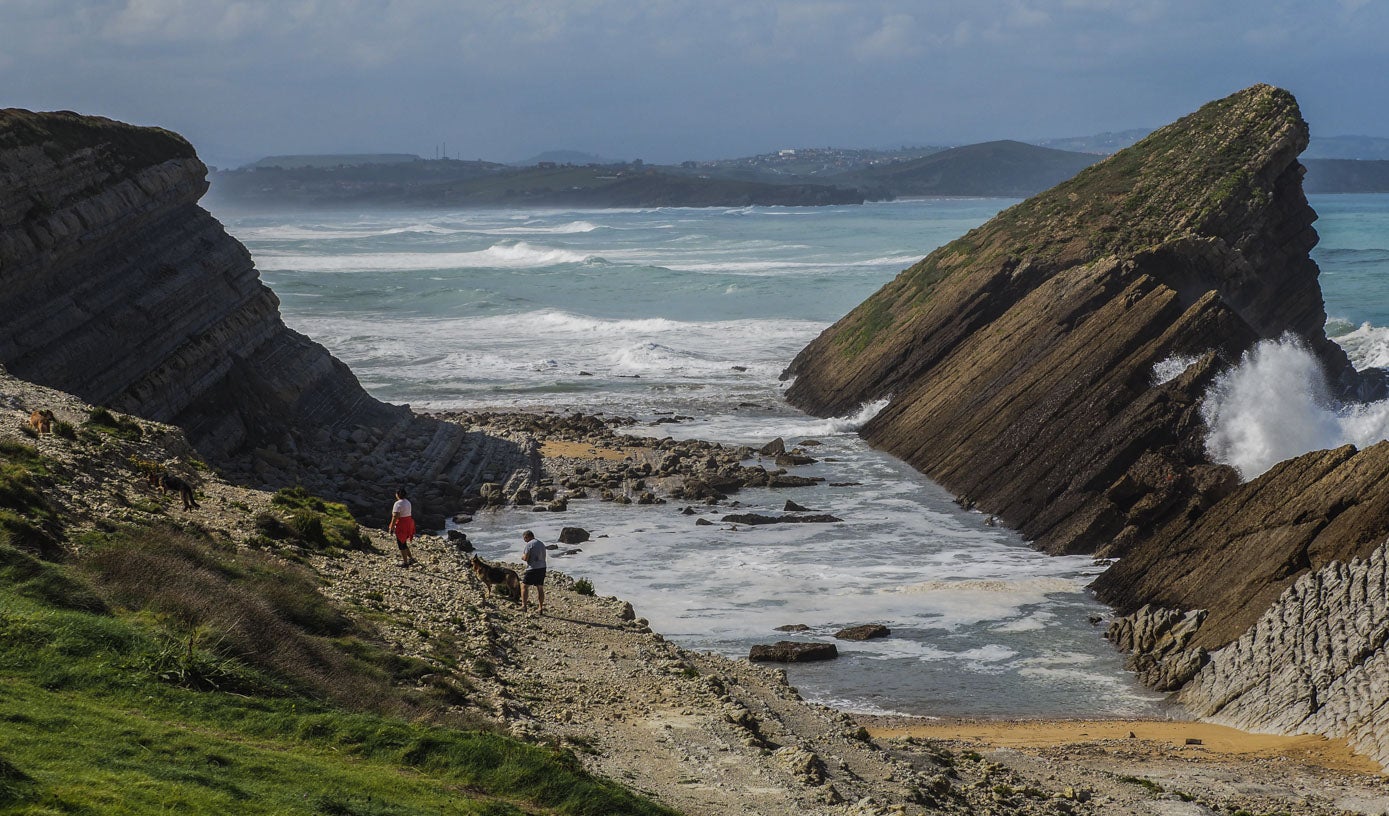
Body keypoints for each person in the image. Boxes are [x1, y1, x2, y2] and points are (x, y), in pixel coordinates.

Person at [388, 488, 417, 567]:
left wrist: (392, 527)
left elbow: (395, 516)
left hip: (402, 524)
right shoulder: (408, 502)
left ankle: (405, 562)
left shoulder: (397, 504)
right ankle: (411, 558)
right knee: (404, 542)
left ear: (398, 494)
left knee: (401, 544)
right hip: (409, 522)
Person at [520, 530, 547, 614]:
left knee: (524, 586)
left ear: (527, 537)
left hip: (533, 568)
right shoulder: (541, 543)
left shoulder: (529, 544)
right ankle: (540, 608)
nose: (524, 540)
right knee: (540, 587)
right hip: (542, 567)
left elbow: (526, 558)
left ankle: (523, 606)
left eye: (524, 538)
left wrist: (522, 557)